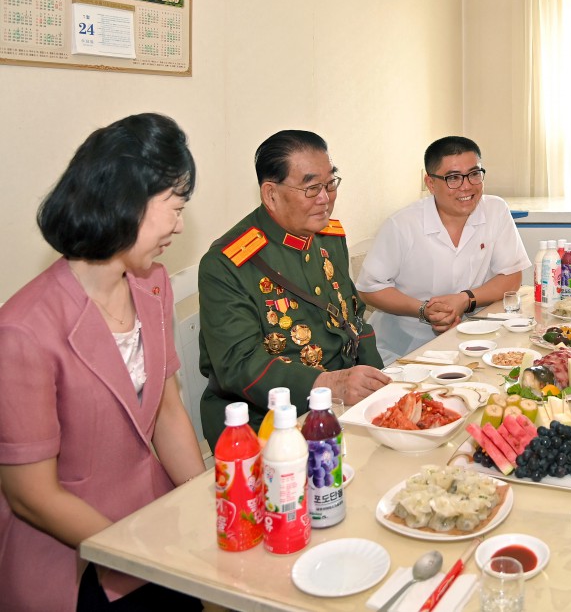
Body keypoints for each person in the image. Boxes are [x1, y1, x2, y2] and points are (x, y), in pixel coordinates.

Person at [0, 113, 206, 611]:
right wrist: (135, 550)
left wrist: (211, 502)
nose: (180, 225)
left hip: (158, 527)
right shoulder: (23, 330)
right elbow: (32, 495)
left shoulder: (152, 286)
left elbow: (168, 413)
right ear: (126, 203)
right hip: (75, 556)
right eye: (174, 209)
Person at [198, 130, 387, 446]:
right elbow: (239, 365)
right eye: (312, 188)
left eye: (330, 184)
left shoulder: (329, 237)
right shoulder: (228, 262)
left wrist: (380, 391)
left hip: (343, 409)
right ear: (270, 194)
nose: (325, 199)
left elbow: (354, 320)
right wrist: (327, 384)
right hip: (269, 424)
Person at [356, 136, 531, 363]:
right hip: (401, 350)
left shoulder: (495, 210)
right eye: (453, 178)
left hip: (472, 342)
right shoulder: (403, 224)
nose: (466, 186)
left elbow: (511, 276)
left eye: (474, 174)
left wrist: (466, 299)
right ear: (430, 183)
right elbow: (369, 289)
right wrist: (424, 310)